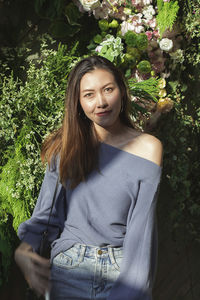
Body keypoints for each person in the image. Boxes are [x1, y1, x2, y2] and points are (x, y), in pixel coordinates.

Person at [15, 55, 163, 300]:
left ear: (122, 91)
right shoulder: (66, 146)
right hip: (69, 268)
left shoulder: (148, 148)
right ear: (78, 102)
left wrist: (133, 290)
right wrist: (23, 249)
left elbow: (142, 231)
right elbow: (46, 216)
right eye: (89, 94)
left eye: (108, 89)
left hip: (120, 269)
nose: (101, 102)